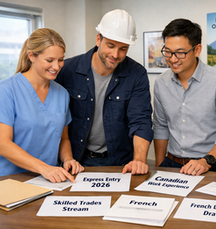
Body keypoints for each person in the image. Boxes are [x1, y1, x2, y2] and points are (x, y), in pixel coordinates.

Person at [56, 9, 153, 175]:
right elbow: (56, 120)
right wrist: (66, 158)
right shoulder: (67, 70)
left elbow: (141, 120)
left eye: (123, 48)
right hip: (76, 160)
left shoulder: (137, 74)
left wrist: (139, 159)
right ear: (98, 39)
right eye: (110, 46)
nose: (115, 55)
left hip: (120, 162)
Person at [153, 18, 216, 175]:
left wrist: (207, 162)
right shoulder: (161, 83)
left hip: (211, 165)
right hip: (171, 164)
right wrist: (160, 166)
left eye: (180, 52)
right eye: (168, 51)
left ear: (197, 50)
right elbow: (160, 126)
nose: (172, 59)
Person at [0, 28, 84, 182]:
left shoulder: (62, 94)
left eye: (60, 60)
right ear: (31, 56)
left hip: (49, 180)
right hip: (10, 180)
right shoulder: (6, 90)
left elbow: (63, 138)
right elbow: (3, 143)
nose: (57, 66)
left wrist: (68, 159)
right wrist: (43, 168)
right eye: (49, 60)